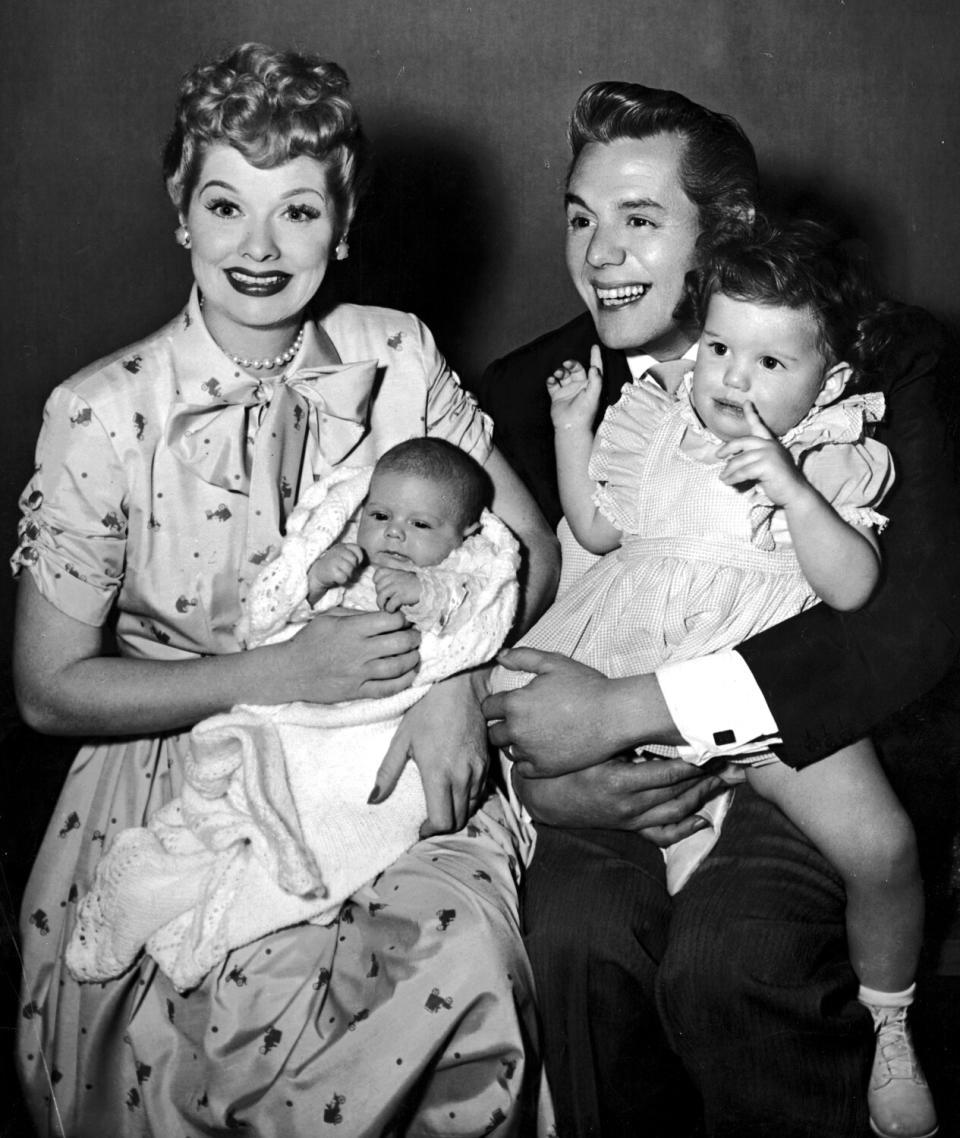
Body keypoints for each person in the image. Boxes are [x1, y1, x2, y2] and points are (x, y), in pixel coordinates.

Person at [13, 43, 558, 1137]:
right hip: (188, 770)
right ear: (182, 214)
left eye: (298, 212)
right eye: (226, 205)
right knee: (228, 1022)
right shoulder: (101, 412)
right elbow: (47, 689)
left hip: (392, 749)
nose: (259, 249)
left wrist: (450, 683)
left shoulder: (395, 354)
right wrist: (274, 671)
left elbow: (529, 553)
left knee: (456, 958)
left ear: (343, 225)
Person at [479, 80, 960, 1138]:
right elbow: (480, 629)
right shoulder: (528, 395)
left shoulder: (885, 360)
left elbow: (910, 625)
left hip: (818, 745)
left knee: (731, 957)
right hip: (619, 786)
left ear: (728, 230)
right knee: (572, 930)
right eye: (580, 216)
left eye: (640, 221)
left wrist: (632, 709)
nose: (598, 254)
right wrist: (539, 777)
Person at [66, 438, 523, 993]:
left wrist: (424, 594)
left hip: (379, 727)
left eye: (420, 525)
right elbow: (271, 620)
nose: (394, 533)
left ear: (464, 535)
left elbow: (471, 618)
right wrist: (316, 582)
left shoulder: (461, 571)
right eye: (379, 516)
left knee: (356, 806)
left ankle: (257, 889)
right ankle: (184, 874)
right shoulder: (355, 564)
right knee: (261, 791)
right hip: (304, 712)